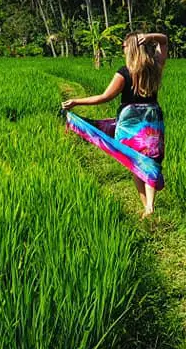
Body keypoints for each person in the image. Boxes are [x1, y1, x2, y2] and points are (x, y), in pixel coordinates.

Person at [62, 32, 168, 218]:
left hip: (130, 122)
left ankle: (147, 208)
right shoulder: (155, 65)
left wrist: (76, 102)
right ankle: (150, 206)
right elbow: (164, 40)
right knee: (150, 160)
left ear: (131, 48)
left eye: (125, 46)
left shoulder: (125, 72)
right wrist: (151, 36)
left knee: (135, 161)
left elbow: (104, 97)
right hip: (152, 118)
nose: (123, 49)